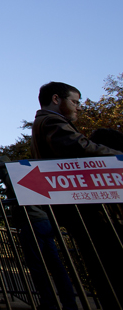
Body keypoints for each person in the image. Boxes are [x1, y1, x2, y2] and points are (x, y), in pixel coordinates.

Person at [31, 82, 123, 309]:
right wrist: (118, 157)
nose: (79, 107)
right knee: (110, 265)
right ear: (56, 99)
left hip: (77, 209)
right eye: (75, 101)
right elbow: (78, 147)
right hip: (83, 210)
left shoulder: (47, 122)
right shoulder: (51, 121)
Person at [0, 156, 77, 310]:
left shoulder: (13, 176)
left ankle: (48, 301)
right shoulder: (26, 173)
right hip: (44, 220)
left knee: (36, 264)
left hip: (31, 222)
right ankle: (69, 301)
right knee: (55, 263)